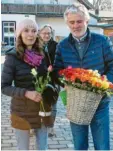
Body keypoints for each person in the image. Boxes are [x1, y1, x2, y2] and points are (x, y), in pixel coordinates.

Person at [53, 3, 113, 150]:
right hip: (76, 105)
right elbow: (56, 70)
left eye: (79, 21)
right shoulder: (63, 45)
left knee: (102, 146)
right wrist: (64, 82)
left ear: (86, 21)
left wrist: (104, 85)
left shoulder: (102, 41)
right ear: (67, 23)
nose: (75, 25)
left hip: (100, 102)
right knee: (79, 146)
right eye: (71, 22)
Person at [1, 19, 54, 150]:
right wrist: (26, 93)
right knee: (23, 148)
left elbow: (45, 79)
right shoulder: (12, 57)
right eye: (26, 30)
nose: (30, 34)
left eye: (34, 31)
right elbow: (4, 87)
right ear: (19, 34)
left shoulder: (41, 54)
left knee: (43, 147)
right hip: (22, 111)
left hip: (42, 109)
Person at [39, 25, 59, 137]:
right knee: (39, 103)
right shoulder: (35, 46)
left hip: (54, 79)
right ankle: (37, 126)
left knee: (53, 105)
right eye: (44, 33)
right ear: (40, 33)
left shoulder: (56, 46)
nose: (47, 35)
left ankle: (51, 127)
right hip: (40, 79)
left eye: (49, 33)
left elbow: (60, 61)